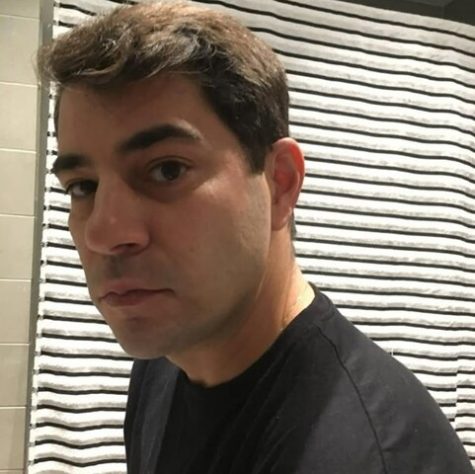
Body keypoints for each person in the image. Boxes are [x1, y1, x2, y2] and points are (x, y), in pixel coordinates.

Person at [38, 2, 473, 473]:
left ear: (280, 183)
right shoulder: (166, 363)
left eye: (167, 170)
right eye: (82, 187)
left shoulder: (361, 453)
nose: (104, 233)